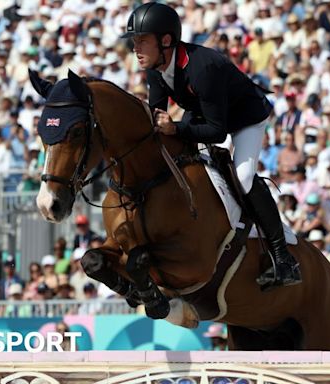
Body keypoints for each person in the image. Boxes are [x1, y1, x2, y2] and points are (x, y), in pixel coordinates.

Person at [123, 3, 300, 289]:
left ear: (165, 41)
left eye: (142, 40)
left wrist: (177, 128)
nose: (135, 48)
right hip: (205, 112)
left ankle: (284, 259)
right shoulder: (155, 68)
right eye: (135, 41)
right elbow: (157, 123)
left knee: (242, 177)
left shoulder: (202, 67)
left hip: (245, 118)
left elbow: (217, 134)